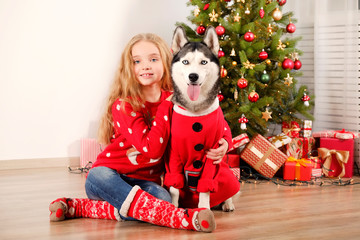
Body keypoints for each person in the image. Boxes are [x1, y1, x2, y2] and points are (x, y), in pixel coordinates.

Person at [49, 33, 230, 233]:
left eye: (153, 59)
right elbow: (151, 149)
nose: (145, 66)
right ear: (129, 68)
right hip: (109, 176)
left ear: (167, 62)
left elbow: (215, 120)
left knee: (163, 199)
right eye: (137, 61)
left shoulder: (177, 99)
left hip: (146, 182)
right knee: (98, 175)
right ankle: (179, 219)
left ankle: (82, 207)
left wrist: (225, 143)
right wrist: (165, 107)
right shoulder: (124, 105)